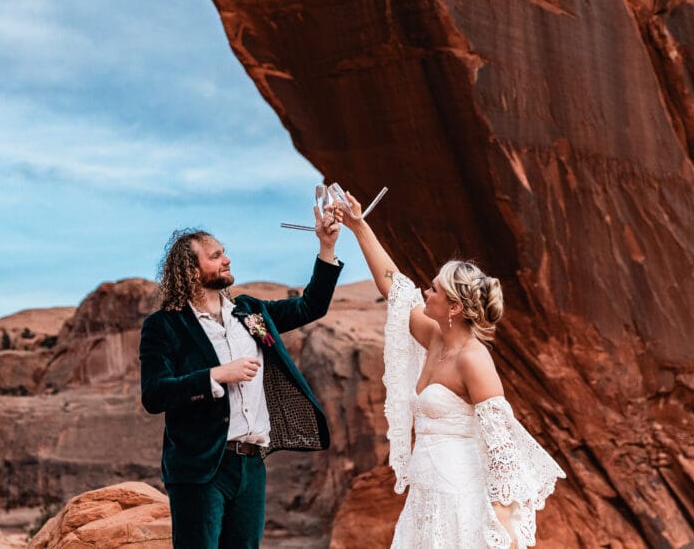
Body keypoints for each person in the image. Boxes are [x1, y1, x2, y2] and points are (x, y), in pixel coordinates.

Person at [339, 192, 565, 549]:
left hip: (459, 497)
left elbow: (501, 446)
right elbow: (394, 286)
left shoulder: (473, 359)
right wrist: (358, 226)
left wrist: (502, 522)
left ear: (454, 307)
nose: (425, 293)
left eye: (433, 290)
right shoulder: (434, 337)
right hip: (426, 494)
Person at [139, 208, 343, 548]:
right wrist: (216, 375)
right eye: (216, 256)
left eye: (224, 252)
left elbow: (311, 306)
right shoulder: (165, 326)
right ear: (191, 271)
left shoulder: (250, 312)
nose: (227, 260)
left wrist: (327, 247)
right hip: (201, 467)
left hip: (251, 465)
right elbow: (154, 394)